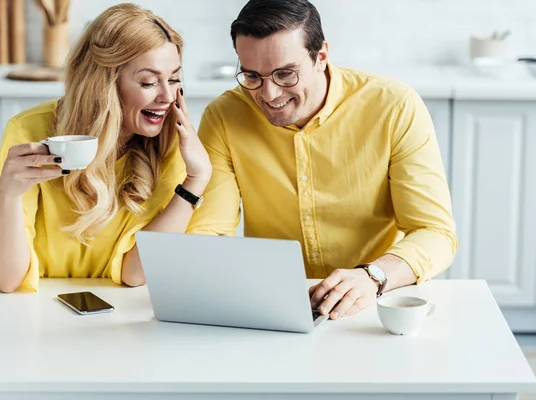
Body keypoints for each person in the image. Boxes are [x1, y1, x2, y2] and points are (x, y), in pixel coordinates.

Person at [187, 0, 457, 320]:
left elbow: (434, 232)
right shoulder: (225, 116)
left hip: (376, 301)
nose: (269, 94)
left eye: (285, 74)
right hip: (275, 307)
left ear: (321, 56)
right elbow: (211, 232)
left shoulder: (394, 107)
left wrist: (373, 276)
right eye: (252, 76)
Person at [0, 3, 211, 293]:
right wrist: (8, 194)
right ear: (104, 83)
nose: (168, 96)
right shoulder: (29, 131)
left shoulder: (171, 145)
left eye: (174, 79)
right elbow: (8, 280)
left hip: (118, 317)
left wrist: (195, 181)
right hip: (35, 312)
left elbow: (135, 273)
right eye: (148, 81)